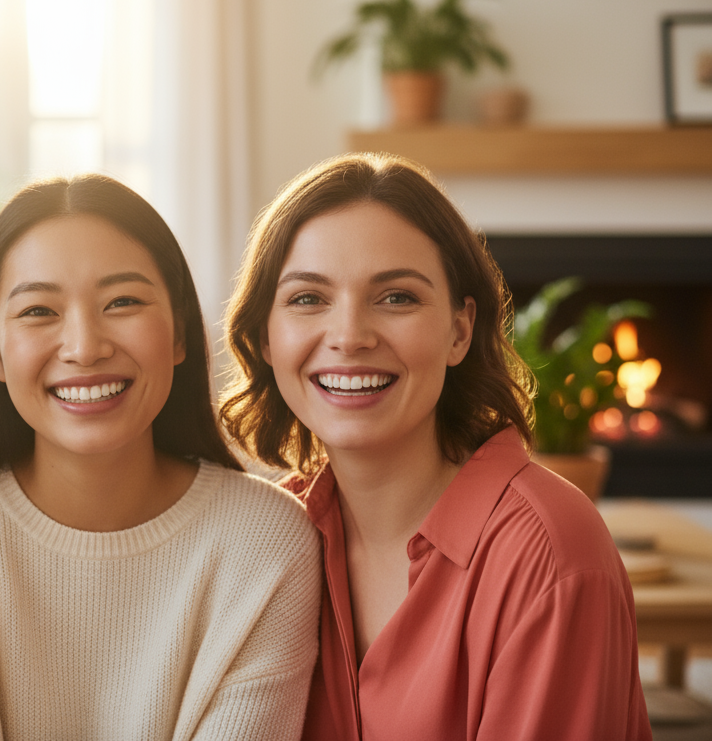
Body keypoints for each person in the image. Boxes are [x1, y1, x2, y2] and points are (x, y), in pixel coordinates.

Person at [0, 174, 322, 740]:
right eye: (38, 311)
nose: (85, 346)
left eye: (122, 301)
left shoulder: (266, 541)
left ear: (179, 332)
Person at [220, 152, 651, 740]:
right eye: (307, 298)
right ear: (266, 338)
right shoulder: (271, 538)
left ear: (459, 330)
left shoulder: (549, 553)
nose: (349, 336)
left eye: (396, 297)